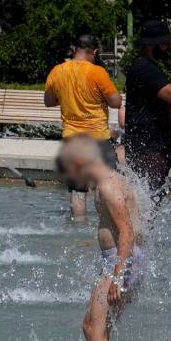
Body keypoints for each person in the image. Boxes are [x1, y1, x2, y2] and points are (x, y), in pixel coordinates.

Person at [57, 136, 147, 341]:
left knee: (93, 330)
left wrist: (118, 276)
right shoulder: (111, 182)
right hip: (123, 261)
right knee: (95, 328)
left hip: (122, 263)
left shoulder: (108, 186)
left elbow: (127, 231)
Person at [45, 35, 123, 217]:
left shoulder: (57, 71)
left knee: (78, 191)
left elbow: (48, 101)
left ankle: (77, 233)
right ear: (94, 52)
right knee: (107, 184)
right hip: (98, 138)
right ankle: (106, 225)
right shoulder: (97, 72)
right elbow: (115, 102)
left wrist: (67, 97)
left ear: (75, 49)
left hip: (72, 139)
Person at [123, 19, 171, 201]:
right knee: (148, 202)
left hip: (149, 147)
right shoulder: (145, 68)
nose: (168, 46)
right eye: (164, 42)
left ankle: (141, 230)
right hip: (148, 149)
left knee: (149, 201)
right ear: (152, 44)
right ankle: (139, 230)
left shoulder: (145, 66)